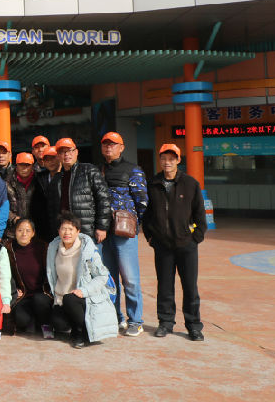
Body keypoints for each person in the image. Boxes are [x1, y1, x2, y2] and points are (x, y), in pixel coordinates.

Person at [144, 143, 207, 341]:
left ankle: (193, 326)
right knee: (164, 286)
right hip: (162, 245)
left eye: (171, 159)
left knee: (190, 287)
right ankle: (165, 322)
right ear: (160, 160)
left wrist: (195, 238)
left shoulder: (190, 184)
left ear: (178, 160)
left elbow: (200, 213)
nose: (167, 162)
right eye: (164, 158)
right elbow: (146, 214)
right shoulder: (153, 184)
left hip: (186, 245)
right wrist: (151, 237)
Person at [46, 211, 119, 348]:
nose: (67, 233)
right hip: (61, 298)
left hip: (83, 298)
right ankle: (78, 326)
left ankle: (79, 332)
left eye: (71, 229)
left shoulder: (87, 251)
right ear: (58, 231)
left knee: (70, 299)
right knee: (58, 323)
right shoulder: (53, 249)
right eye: (63, 229)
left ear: (78, 231)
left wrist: (84, 290)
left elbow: (102, 276)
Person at [99, 131, 148, 337]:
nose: (109, 147)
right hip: (104, 232)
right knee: (109, 279)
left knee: (130, 279)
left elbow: (142, 202)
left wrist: (133, 224)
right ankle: (115, 317)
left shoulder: (133, 170)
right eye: (105, 144)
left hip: (124, 232)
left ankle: (135, 320)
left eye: (113, 144)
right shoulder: (99, 170)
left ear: (122, 147)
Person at [47, 138, 111, 246]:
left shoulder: (89, 170)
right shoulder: (56, 179)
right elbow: (52, 210)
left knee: (89, 257)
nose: (66, 154)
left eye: (69, 151)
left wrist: (102, 227)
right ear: (58, 156)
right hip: (64, 235)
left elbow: (104, 200)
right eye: (62, 152)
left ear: (76, 152)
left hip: (87, 232)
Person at [5, 218, 52, 338]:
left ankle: (45, 324)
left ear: (33, 233)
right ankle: (32, 321)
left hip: (42, 293)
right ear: (15, 232)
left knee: (39, 300)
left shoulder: (43, 248)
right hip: (23, 295)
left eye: (27, 230)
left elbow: (51, 272)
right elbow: (5, 273)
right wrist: (13, 290)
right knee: (21, 320)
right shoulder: (8, 248)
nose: (24, 234)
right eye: (20, 230)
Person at [5, 152, 37, 241]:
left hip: (35, 231)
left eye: (27, 165)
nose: (24, 168)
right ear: (16, 166)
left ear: (32, 166)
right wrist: (13, 218)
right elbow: (1, 205)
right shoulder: (6, 182)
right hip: (12, 231)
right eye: (21, 165)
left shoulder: (39, 181)